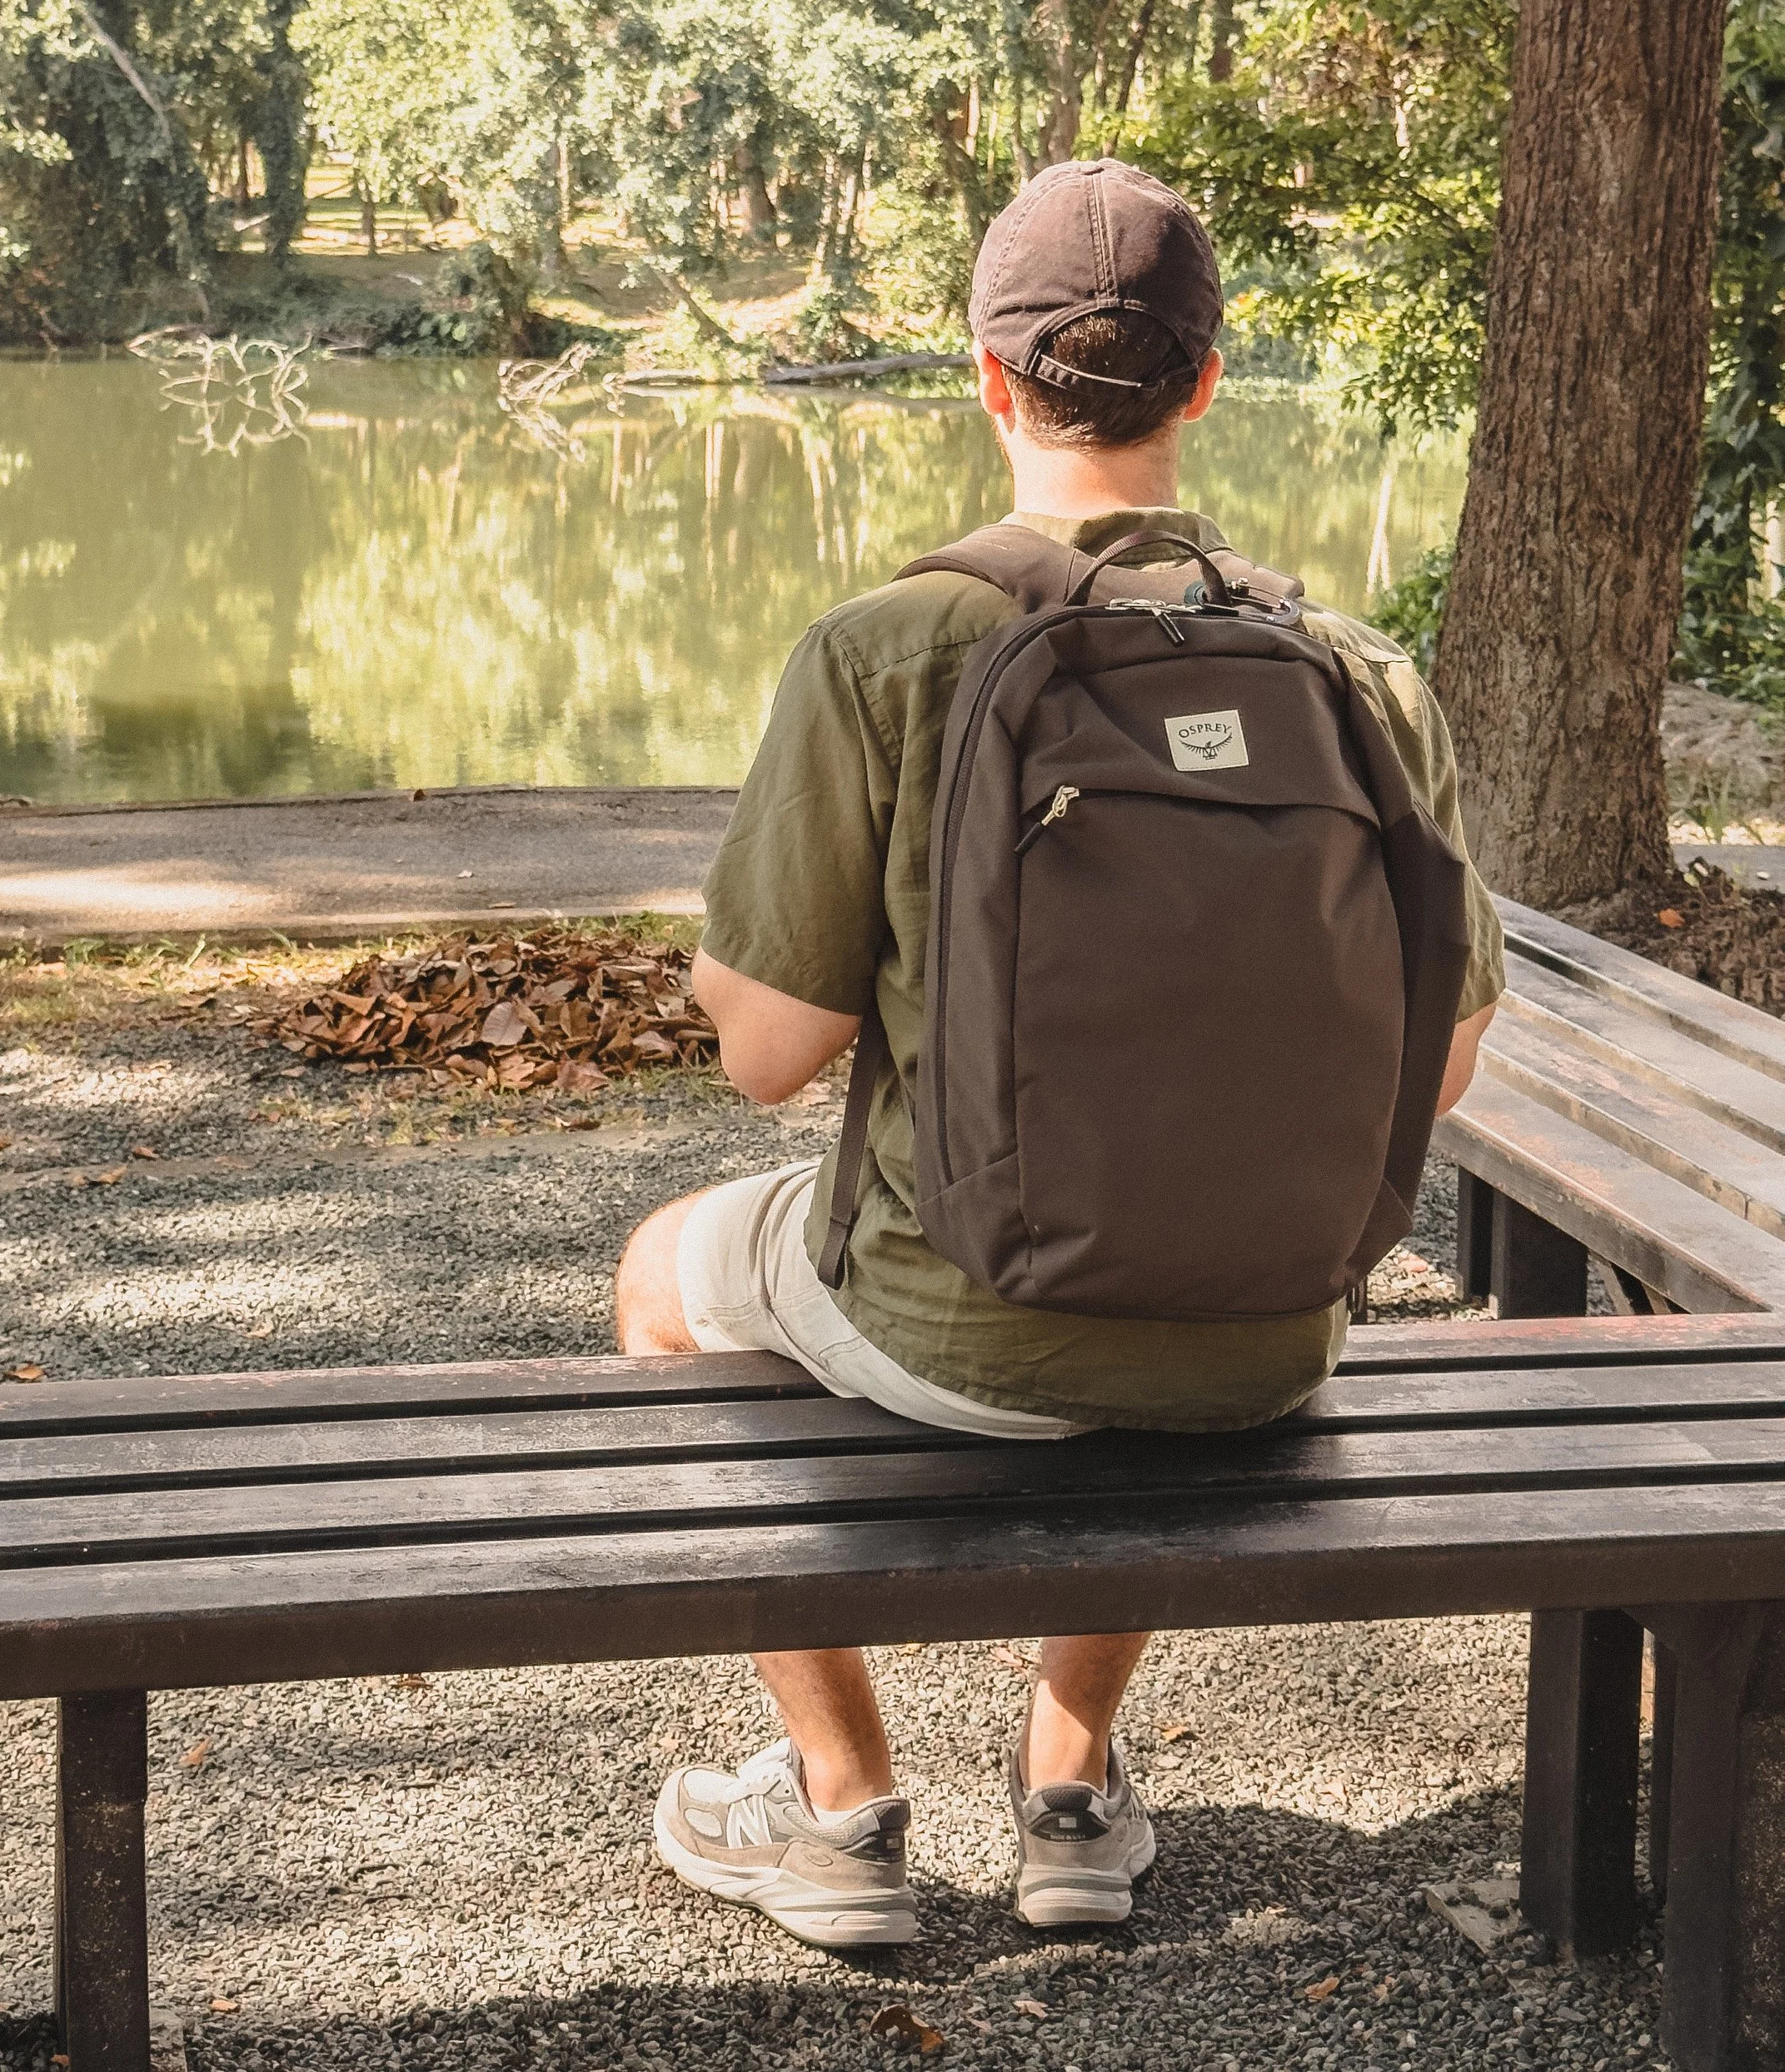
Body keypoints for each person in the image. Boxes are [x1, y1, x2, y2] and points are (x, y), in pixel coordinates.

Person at [616, 158, 1508, 1951]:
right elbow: (1445, 1068)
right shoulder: (1351, 670)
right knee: (1169, 1223)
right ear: (1200, 383)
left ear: (983, 376)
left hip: (954, 1322)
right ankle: (1075, 1786)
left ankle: (840, 1810)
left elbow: (768, 1060)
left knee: (661, 1271)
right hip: (1268, 1339)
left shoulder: (885, 648)